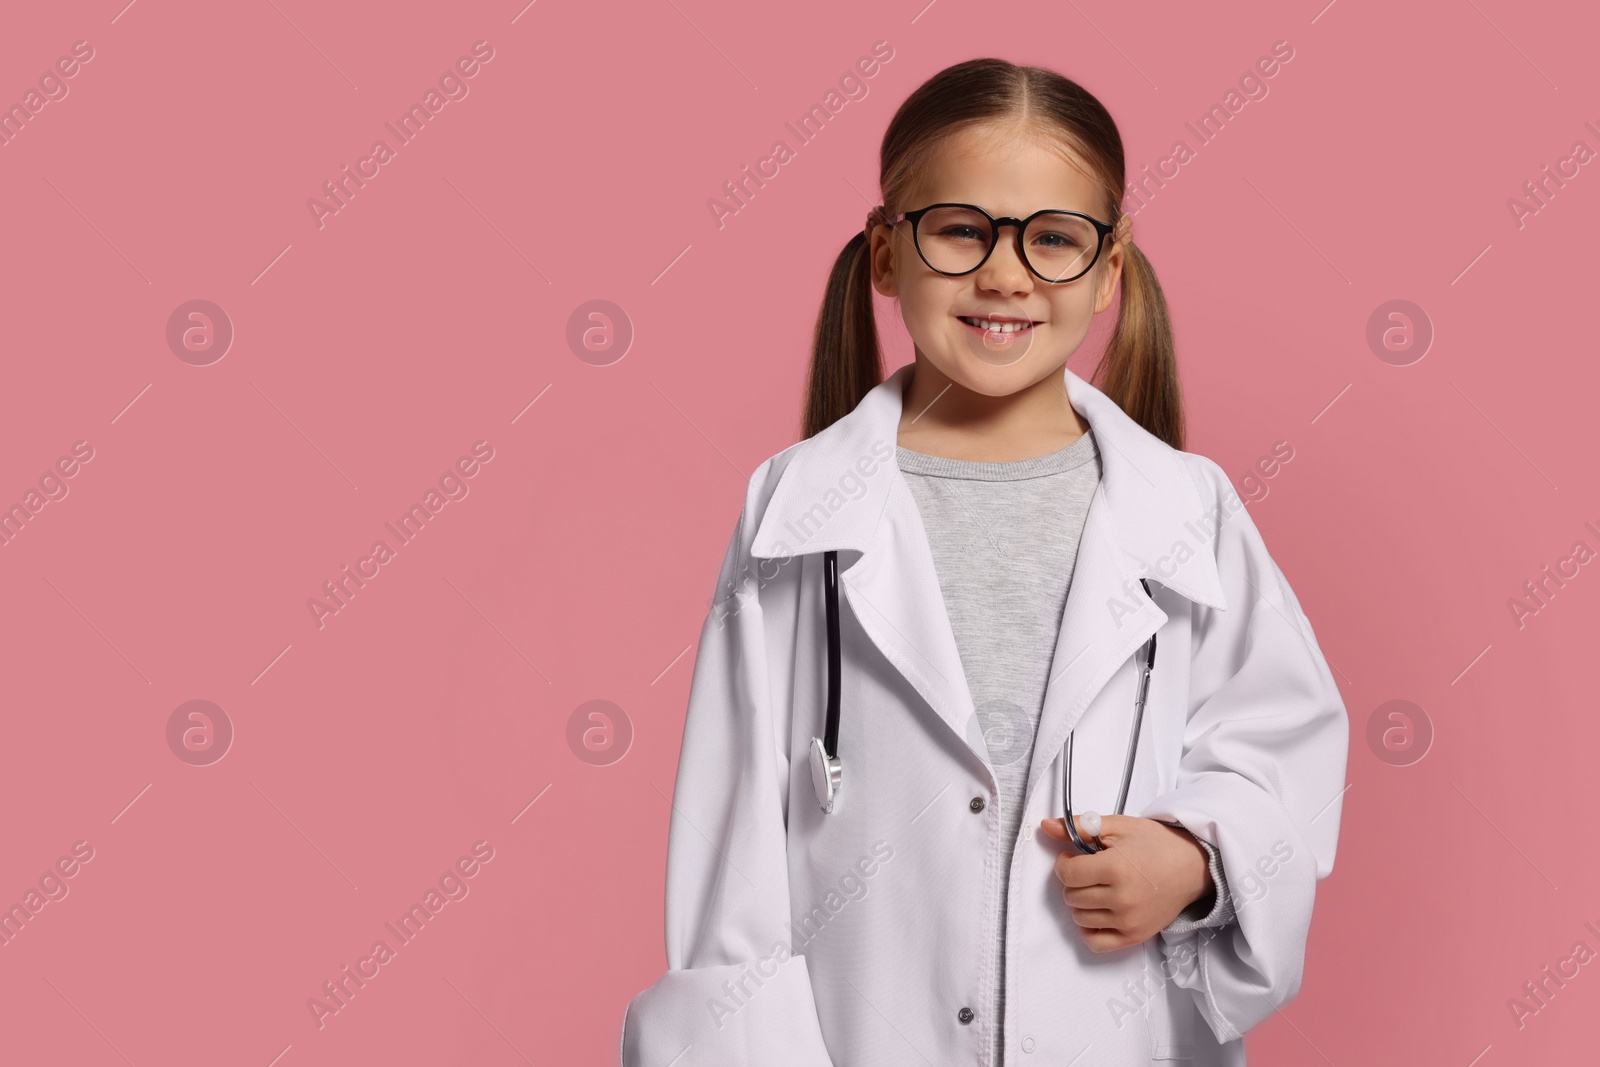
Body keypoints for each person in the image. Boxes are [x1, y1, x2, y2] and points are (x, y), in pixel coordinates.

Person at [620, 57, 1348, 1066]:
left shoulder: (1188, 510)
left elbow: (1283, 757)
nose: (1005, 274)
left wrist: (1194, 857)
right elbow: (730, 842)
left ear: (1109, 269)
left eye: (1054, 238)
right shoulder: (794, 511)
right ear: (887, 252)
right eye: (962, 229)